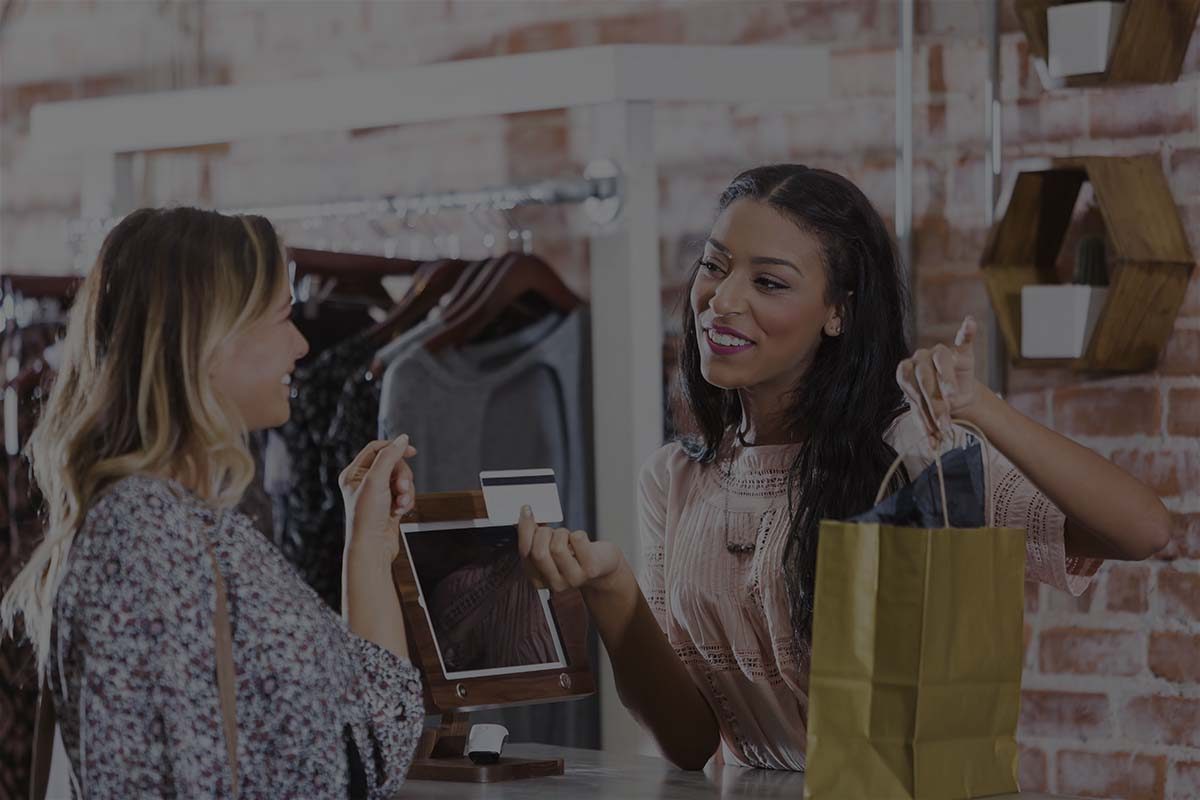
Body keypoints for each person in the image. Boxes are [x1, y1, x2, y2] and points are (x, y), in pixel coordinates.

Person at [517, 164, 1171, 772]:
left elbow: (1142, 531)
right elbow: (690, 741)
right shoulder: (674, 478)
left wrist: (982, 409)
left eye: (769, 282)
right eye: (715, 267)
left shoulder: (912, 452)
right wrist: (612, 591)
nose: (721, 301)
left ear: (838, 312)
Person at [1, 208, 424, 797]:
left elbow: (368, 740)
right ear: (209, 338)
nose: (302, 343)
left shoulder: (176, 524)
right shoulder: (149, 535)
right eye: (283, 317)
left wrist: (368, 544)